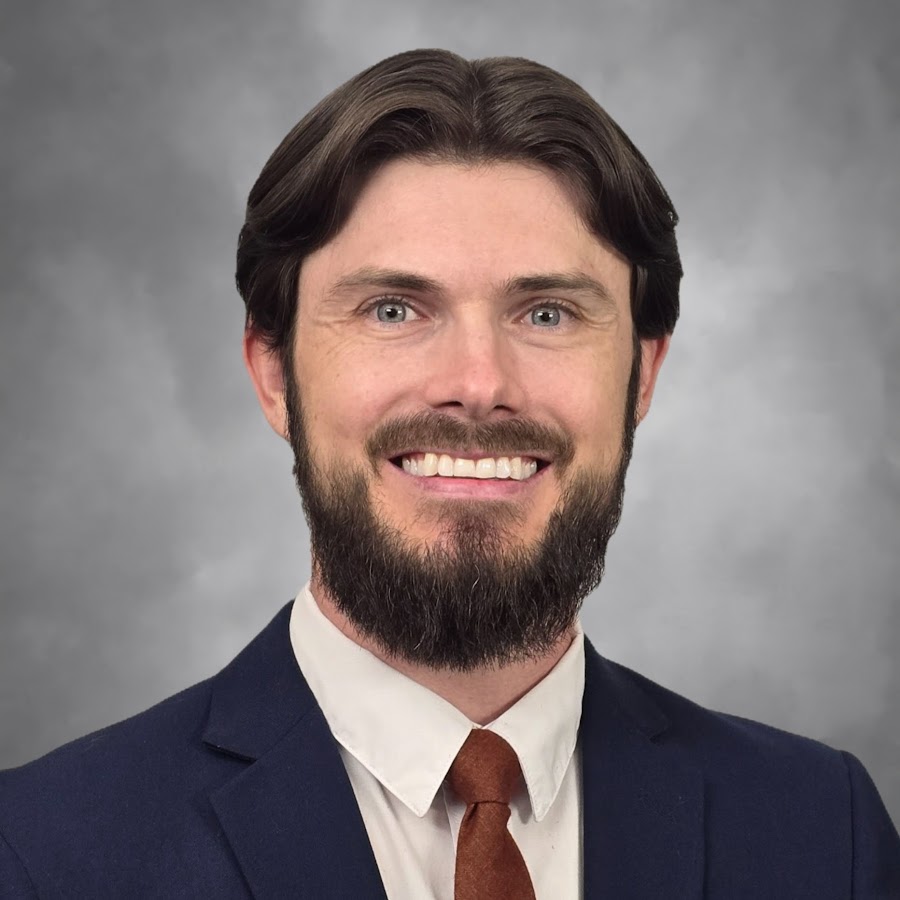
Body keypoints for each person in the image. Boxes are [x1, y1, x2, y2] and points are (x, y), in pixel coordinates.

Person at [1, 48, 897, 899]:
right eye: (394, 309)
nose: (478, 383)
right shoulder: (42, 852)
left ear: (643, 375)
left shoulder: (827, 833)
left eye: (547, 313)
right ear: (274, 372)